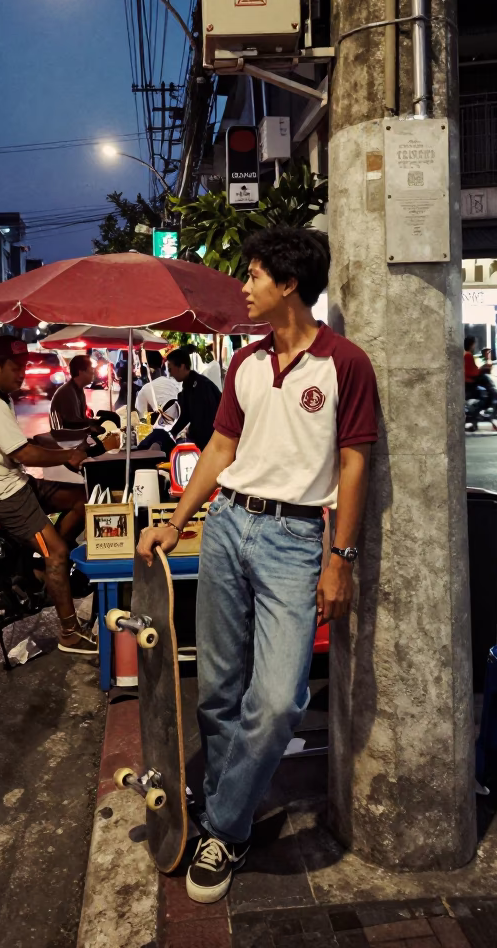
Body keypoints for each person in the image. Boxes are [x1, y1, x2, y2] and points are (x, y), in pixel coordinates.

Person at [137, 226, 378, 904]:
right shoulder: (243, 363)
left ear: (289, 284)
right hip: (226, 527)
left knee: (275, 703)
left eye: (253, 274)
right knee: (216, 689)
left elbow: (356, 464)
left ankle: (222, 822)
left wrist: (341, 559)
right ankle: (226, 817)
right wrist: (177, 521)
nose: (244, 286)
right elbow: (217, 450)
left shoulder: (345, 364)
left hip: (296, 540)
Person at [0, 336, 97, 653]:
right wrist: (67, 456)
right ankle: (70, 632)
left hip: (14, 483)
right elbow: (25, 454)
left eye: (24, 366)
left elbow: (18, 447)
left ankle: (42, 569)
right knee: (57, 552)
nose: (22, 373)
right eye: (16, 367)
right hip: (1, 495)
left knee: (83, 500)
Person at [166, 347, 222, 451]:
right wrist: (172, 432)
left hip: (212, 442)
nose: (170, 374)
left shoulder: (201, 385)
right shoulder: (188, 384)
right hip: (203, 441)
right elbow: (186, 415)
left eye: (170, 369)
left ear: (181, 366)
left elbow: (207, 420)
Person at [49, 354, 94, 429]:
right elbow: (72, 424)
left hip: (74, 435)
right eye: (91, 369)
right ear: (81, 372)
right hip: (66, 437)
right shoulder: (67, 392)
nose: (93, 373)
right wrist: (93, 423)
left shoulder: (78, 390)